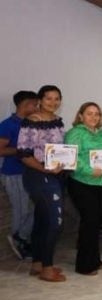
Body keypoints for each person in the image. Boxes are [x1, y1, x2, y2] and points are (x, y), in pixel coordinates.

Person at [17, 85, 66, 282]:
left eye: (57, 99)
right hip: (38, 175)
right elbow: (24, 155)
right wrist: (45, 169)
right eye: (48, 99)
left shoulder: (57, 121)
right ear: (40, 100)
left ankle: (38, 263)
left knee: (43, 220)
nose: (53, 103)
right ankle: (47, 267)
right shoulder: (32, 121)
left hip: (56, 175)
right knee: (56, 221)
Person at [64, 102, 102, 275]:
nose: (93, 117)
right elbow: (72, 158)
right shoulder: (75, 133)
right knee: (89, 222)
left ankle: (94, 259)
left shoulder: (100, 134)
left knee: (95, 222)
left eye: (97, 114)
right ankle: (84, 265)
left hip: (100, 183)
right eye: (89, 114)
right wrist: (90, 170)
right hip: (82, 183)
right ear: (81, 116)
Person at [0, 90, 38, 259]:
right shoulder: (8, 124)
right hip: (14, 173)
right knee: (21, 210)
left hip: (31, 172)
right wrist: (21, 150)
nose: (36, 107)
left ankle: (21, 237)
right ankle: (19, 241)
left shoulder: (31, 124)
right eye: (34, 104)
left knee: (37, 208)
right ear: (25, 104)